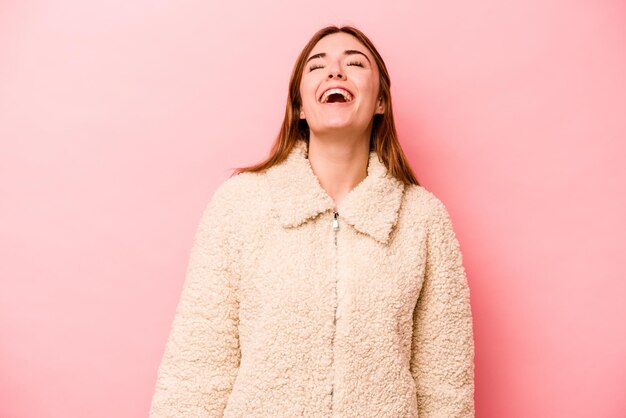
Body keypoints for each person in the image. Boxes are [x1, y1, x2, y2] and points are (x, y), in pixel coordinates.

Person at [149, 25, 475, 417]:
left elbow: (445, 384)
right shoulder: (240, 205)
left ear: (381, 102)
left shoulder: (423, 219)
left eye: (355, 63)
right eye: (317, 66)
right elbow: (196, 367)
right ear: (301, 106)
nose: (335, 72)